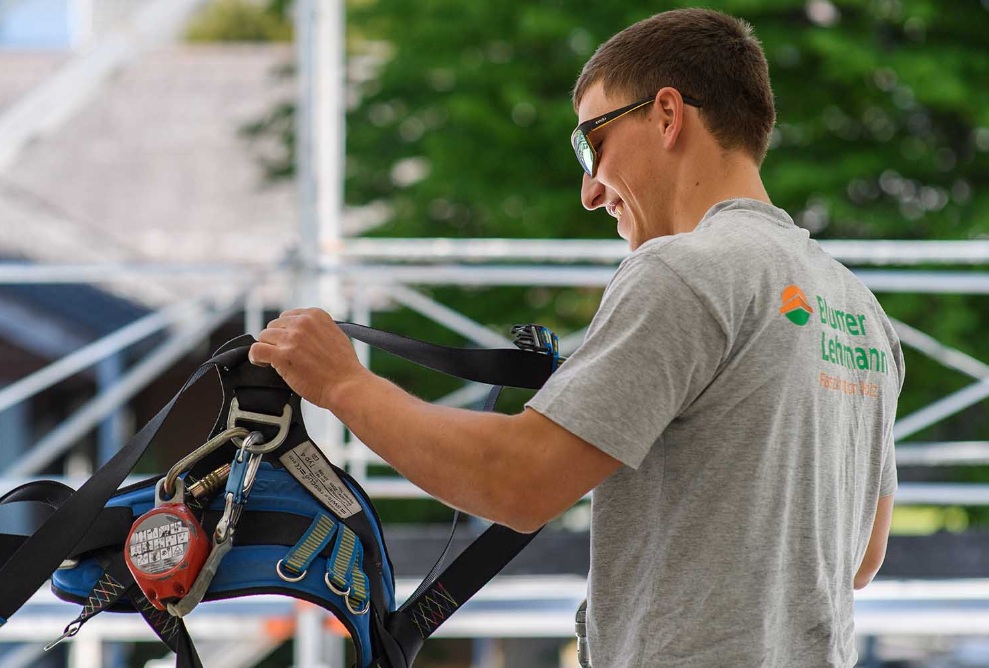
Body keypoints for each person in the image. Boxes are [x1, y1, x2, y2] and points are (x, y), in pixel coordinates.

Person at [249, 8, 902, 667]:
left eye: (592, 143)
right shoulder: (857, 307)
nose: (590, 190)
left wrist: (342, 383)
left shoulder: (684, 270)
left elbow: (518, 481)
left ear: (667, 115)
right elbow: (862, 556)